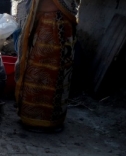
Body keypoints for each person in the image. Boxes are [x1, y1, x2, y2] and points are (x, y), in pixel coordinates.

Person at [15, 0, 80, 131]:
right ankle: (31, 116)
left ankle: (47, 122)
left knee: (51, 75)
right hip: (41, 23)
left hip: (57, 25)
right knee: (34, 72)